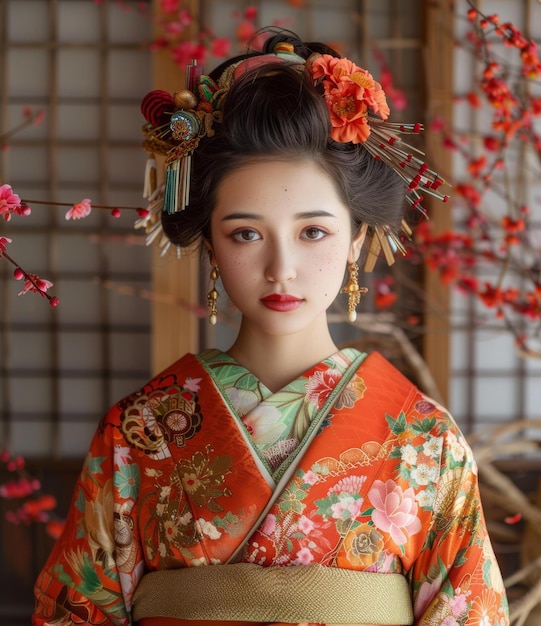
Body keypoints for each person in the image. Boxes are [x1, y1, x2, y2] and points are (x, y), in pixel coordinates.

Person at [33, 28, 509, 626]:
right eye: (245, 233)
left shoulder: (425, 439)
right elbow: (75, 610)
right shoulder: (138, 431)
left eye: (314, 231)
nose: (282, 268)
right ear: (209, 242)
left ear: (357, 239)